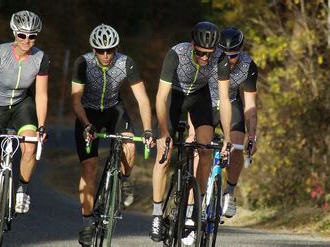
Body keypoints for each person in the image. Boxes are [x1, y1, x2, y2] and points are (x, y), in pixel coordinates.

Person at [71, 24, 153, 246]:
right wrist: (86, 124)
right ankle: (88, 223)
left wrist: (147, 129)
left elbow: (143, 99)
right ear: (93, 49)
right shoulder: (83, 63)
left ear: (117, 48)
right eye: (100, 50)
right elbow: (76, 100)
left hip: (113, 110)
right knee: (89, 169)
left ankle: (125, 181)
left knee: (129, 143)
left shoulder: (126, 62)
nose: (106, 55)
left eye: (111, 50)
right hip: (87, 114)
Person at [150, 21, 232, 243]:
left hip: (199, 98)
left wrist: (227, 136)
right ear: (192, 45)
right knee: (163, 156)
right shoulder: (176, 54)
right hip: (174, 98)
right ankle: (157, 213)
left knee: (205, 150)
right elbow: (160, 97)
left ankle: (192, 212)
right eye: (200, 53)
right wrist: (164, 130)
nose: (205, 58)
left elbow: (224, 100)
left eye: (209, 53)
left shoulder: (220, 58)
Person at [0, 10, 49, 243]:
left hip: (21, 106)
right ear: (14, 33)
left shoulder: (40, 58)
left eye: (32, 36)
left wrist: (42, 126)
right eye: (22, 35)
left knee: (29, 146)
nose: (27, 40)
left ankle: (22, 191)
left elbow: (42, 95)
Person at [187, 27, 258, 218]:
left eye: (233, 56)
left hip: (231, 103)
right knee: (198, 151)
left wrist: (252, 136)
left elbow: (250, 105)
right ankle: (192, 204)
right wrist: (192, 130)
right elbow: (193, 94)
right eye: (225, 55)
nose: (228, 60)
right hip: (206, 103)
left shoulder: (248, 65)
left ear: (241, 50)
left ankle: (229, 192)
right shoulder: (209, 60)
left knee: (236, 146)